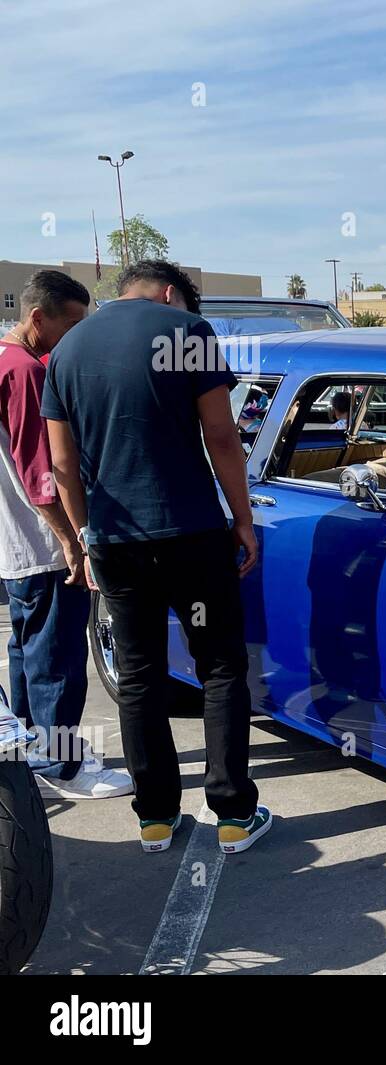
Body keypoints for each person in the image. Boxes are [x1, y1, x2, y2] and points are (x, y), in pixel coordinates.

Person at [42, 260, 272, 855]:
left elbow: (61, 467)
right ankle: (231, 814)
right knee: (219, 667)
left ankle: (155, 819)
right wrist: (243, 519)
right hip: (190, 532)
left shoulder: (65, 352)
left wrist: (84, 536)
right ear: (172, 296)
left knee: (139, 675)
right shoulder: (187, 333)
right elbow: (222, 435)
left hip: (115, 540)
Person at [0, 271, 132, 798]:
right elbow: (43, 474)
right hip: (42, 543)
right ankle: (62, 765)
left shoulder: (7, 361)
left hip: (16, 546)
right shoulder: (27, 371)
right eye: (72, 324)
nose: (77, 336)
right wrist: (73, 543)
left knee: (29, 649)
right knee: (55, 657)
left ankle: (31, 751)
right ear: (38, 319)